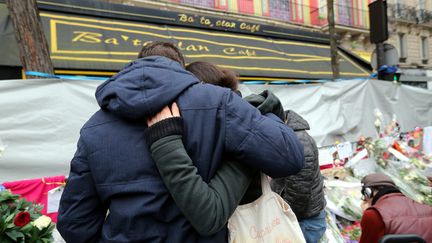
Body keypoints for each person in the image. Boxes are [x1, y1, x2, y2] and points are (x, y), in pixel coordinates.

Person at [57, 42, 305, 242]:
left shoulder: (94, 128)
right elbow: (290, 158)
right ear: (181, 68)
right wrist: (266, 112)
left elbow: (74, 225)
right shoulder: (219, 103)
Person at [145, 61, 320, 240]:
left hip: (249, 227)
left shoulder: (243, 136)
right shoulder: (247, 123)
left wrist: (166, 141)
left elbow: (208, 215)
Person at [359, 172, 432, 243]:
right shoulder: (428, 209)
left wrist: (366, 213)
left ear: (368, 193)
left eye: (364, 197)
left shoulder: (373, 214)